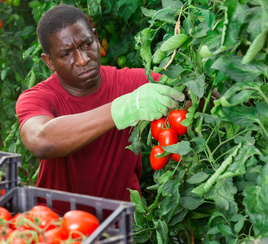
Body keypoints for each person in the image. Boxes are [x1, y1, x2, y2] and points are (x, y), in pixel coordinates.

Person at [16, 4, 184, 209]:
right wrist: (124, 108)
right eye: (66, 54)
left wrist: (191, 94)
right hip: (58, 227)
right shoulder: (37, 98)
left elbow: (191, 92)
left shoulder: (131, 82)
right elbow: (41, 140)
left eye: (86, 44)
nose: (83, 59)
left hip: (121, 222)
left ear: (96, 38)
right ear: (49, 61)